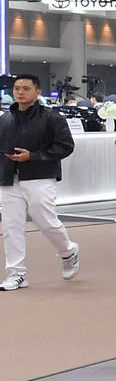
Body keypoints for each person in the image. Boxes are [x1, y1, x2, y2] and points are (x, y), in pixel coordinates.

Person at [0, 73, 81, 290]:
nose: (20, 92)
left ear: (37, 91)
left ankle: (68, 252)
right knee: (11, 227)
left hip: (40, 176)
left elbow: (65, 146)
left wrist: (33, 156)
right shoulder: (5, 118)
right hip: (8, 179)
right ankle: (16, 273)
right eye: (17, 88)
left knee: (45, 221)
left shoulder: (51, 117)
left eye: (26, 88)